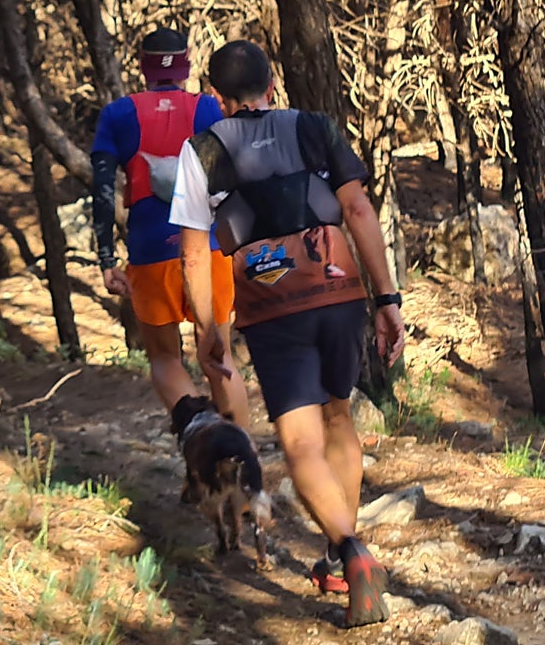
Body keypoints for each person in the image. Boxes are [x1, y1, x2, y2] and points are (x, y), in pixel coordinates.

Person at [169, 39, 406, 628]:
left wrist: (210, 330)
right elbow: (358, 211)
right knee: (338, 419)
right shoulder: (316, 127)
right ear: (271, 88)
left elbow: (196, 255)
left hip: (273, 308)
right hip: (339, 292)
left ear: (217, 100)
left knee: (299, 444)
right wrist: (387, 299)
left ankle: (352, 554)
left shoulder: (201, 151)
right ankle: (335, 556)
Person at [91, 28, 251, 429]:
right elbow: (233, 181)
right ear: (187, 61)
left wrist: (107, 258)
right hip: (210, 248)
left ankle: (199, 432)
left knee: (164, 359)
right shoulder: (209, 110)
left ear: (143, 64)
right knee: (220, 356)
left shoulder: (117, 114)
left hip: (150, 251)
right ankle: (241, 457)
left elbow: (101, 189)